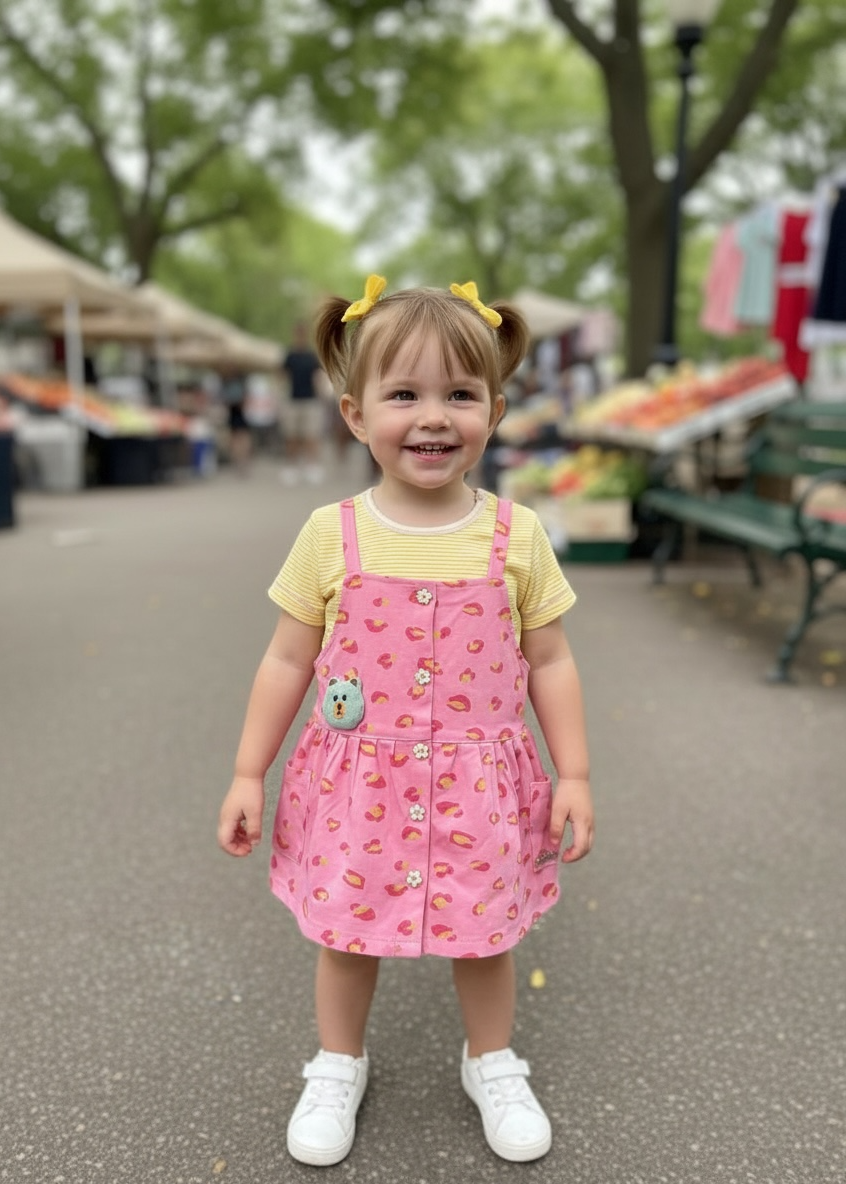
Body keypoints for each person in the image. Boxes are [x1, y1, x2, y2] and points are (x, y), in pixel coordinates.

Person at [217, 275, 594, 1167]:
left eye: (460, 394)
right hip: (361, 786)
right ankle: (337, 1063)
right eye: (404, 395)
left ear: (495, 411)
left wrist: (574, 773)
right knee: (347, 935)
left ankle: (491, 1059)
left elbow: (550, 661)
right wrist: (247, 771)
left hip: (479, 785)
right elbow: (287, 660)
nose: (433, 417)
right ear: (355, 415)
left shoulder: (517, 536)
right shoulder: (331, 533)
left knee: (486, 934)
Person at [280, 321, 325, 484]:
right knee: (291, 435)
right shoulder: (290, 355)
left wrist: (320, 395)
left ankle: (311, 466)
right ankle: (291, 466)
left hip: (310, 400)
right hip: (293, 399)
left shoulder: (311, 356)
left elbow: (317, 377)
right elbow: (282, 375)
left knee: (311, 434)